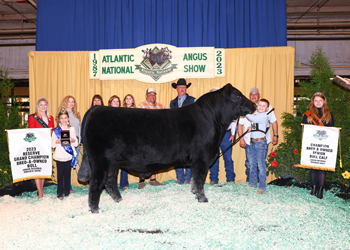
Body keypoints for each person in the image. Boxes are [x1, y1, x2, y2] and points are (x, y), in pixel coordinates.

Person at [238, 87, 278, 182]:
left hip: (263, 141)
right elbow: (240, 124)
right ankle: (250, 182)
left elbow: (274, 121)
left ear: (259, 96)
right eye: (252, 94)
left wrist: (276, 135)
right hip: (249, 140)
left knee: (261, 163)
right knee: (249, 163)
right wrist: (241, 138)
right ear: (249, 96)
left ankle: (261, 183)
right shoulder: (246, 107)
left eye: (256, 94)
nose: (253, 96)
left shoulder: (267, 107)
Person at [302, 92, 334, 199]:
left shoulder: (329, 115)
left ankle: (320, 190)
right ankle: (313, 188)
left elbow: (332, 132)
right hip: (312, 144)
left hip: (324, 145)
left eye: (320, 100)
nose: (318, 102)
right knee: (313, 167)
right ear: (313, 102)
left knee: (322, 168)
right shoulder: (307, 115)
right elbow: (304, 131)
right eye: (316, 100)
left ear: (324, 101)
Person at [169, 78, 196, 184]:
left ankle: (188, 178)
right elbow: (170, 118)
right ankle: (180, 178)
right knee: (177, 155)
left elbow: (196, 117)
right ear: (176, 89)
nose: (182, 89)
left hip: (189, 133)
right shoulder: (172, 102)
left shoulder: (193, 100)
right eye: (180, 87)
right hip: (176, 133)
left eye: (184, 87)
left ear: (186, 88)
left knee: (189, 155)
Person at [137, 88, 165, 189]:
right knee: (143, 157)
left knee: (155, 157)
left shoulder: (161, 106)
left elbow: (166, 119)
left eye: (154, 94)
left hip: (157, 136)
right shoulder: (141, 105)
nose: (152, 96)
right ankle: (141, 180)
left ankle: (153, 179)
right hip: (145, 136)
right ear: (146, 96)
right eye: (150, 94)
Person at [208, 87, 236, 184]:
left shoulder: (227, 105)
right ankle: (214, 179)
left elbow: (234, 120)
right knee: (213, 158)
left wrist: (233, 134)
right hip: (213, 135)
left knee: (228, 159)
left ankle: (230, 179)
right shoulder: (208, 107)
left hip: (226, 134)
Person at [28, 97, 55, 199]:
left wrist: (52, 145)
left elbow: (52, 133)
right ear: (38, 106)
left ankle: (42, 190)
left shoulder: (50, 118)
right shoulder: (33, 117)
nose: (43, 107)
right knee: (37, 168)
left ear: (47, 106)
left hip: (47, 145)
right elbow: (31, 131)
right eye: (41, 105)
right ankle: (39, 192)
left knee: (44, 168)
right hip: (37, 145)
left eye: (45, 105)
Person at [56, 95, 81, 193]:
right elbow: (59, 130)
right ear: (65, 102)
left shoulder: (76, 114)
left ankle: (67, 188)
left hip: (75, 141)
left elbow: (78, 129)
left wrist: (78, 142)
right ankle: (63, 188)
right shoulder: (62, 114)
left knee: (69, 165)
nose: (71, 103)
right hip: (65, 143)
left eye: (73, 102)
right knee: (63, 167)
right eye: (69, 101)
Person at [245, 99, 270, 194]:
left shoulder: (264, 116)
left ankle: (262, 186)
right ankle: (252, 184)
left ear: (267, 109)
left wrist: (244, 111)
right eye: (260, 105)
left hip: (260, 143)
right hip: (252, 142)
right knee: (252, 164)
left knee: (261, 165)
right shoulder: (257, 115)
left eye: (264, 106)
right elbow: (257, 125)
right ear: (257, 106)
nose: (261, 107)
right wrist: (251, 129)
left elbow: (253, 119)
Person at [52, 109, 78, 200]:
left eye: (65, 118)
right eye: (62, 118)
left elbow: (76, 143)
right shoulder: (56, 130)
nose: (64, 120)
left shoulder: (71, 129)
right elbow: (53, 144)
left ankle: (67, 192)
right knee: (60, 175)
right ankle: (59, 193)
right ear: (59, 119)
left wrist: (72, 140)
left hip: (68, 155)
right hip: (59, 155)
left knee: (67, 174)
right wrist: (57, 141)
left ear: (68, 118)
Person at [108, 95, 129, 191]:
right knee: (111, 165)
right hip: (111, 142)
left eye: (117, 101)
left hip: (122, 142)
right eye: (114, 101)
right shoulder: (107, 114)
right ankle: (111, 185)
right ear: (110, 103)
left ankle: (124, 184)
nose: (116, 103)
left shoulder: (122, 113)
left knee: (124, 163)